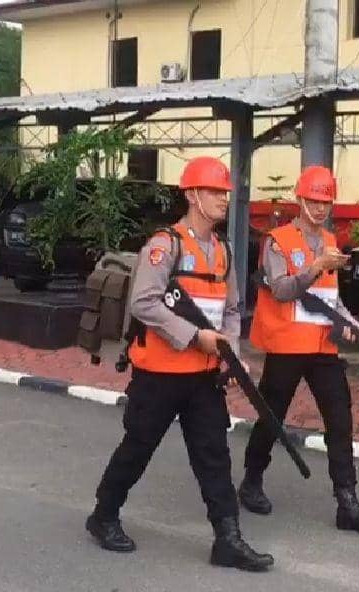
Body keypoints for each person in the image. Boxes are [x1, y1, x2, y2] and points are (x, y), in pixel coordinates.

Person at [86, 156, 273, 572]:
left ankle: (228, 538)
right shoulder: (164, 245)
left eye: (225, 192)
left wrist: (230, 355)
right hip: (159, 375)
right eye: (214, 191)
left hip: (204, 377)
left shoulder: (223, 250)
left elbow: (232, 309)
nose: (224, 199)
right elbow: (144, 303)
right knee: (137, 448)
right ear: (192, 195)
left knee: (214, 456)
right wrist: (194, 337)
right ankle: (103, 515)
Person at [240, 165, 359, 533]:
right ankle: (251, 479)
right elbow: (281, 289)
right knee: (272, 416)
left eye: (326, 201)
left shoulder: (331, 242)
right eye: (314, 200)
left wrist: (348, 320)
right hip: (287, 344)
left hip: (322, 345)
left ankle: (347, 501)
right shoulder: (276, 241)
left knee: (340, 419)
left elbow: (330, 298)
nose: (320, 208)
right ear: (300, 199)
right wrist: (316, 264)